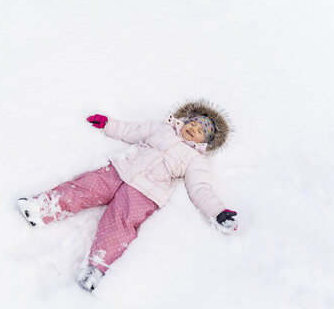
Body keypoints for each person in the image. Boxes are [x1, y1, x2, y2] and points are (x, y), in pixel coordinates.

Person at [17, 99, 238, 292]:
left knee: (119, 224)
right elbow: (131, 131)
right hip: (120, 170)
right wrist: (109, 125)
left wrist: (217, 211)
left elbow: (200, 188)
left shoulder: (196, 160)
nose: (194, 129)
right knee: (86, 187)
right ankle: (43, 208)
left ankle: (97, 267)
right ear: (185, 121)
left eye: (201, 131)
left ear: (205, 142)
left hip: (144, 193)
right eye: (193, 123)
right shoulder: (162, 128)